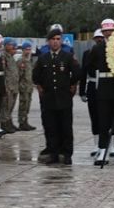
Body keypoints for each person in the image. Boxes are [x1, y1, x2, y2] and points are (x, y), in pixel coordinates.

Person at [32, 27, 80, 164]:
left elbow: (77, 73)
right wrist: (41, 87)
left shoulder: (68, 57)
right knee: (50, 127)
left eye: (58, 39)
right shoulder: (43, 58)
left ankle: (66, 153)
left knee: (65, 127)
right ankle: (53, 152)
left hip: (64, 97)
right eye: (52, 39)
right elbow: (35, 76)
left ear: (61, 41)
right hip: (49, 98)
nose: (55, 42)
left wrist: (71, 84)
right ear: (48, 41)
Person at [88, 24, 114, 165]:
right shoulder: (97, 48)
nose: (108, 33)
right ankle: (103, 150)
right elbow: (90, 66)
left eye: (111, 30)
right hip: (104, 87)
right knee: (103, 121)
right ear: (102, 32)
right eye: (106, 31)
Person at [80, 24, 109, 156]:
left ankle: (111, 145)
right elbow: (83, 72)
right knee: (94, 116)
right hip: (92, 85)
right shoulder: (88, 53)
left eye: (101, 38)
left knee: (108, 116)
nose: (99, 40)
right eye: (97, 38)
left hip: (106, 85)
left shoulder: (111, 52)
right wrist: (82, 91)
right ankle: (96, 144)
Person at [0, 38, 21, 133]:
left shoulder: (11, 56)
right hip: (8, 86)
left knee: (11, 105)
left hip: (14, 86)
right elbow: (3, 73)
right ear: (6, 45)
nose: (14, 47)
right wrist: (4, 86)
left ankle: (9, 122)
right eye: (12, 45)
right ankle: (4, 124)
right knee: (6, 106)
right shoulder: (3, 56)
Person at [16, 41, 36, 131]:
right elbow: (19, 75)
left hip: (29, 86)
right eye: (26, 49)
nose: (28, 51)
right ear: (23, 50)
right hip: (23, 86)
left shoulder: (29, 60)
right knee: (23, 104)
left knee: (27, 105)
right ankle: (22, 122)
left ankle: (25, 121)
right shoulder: (21, 61)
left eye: (29, 49)